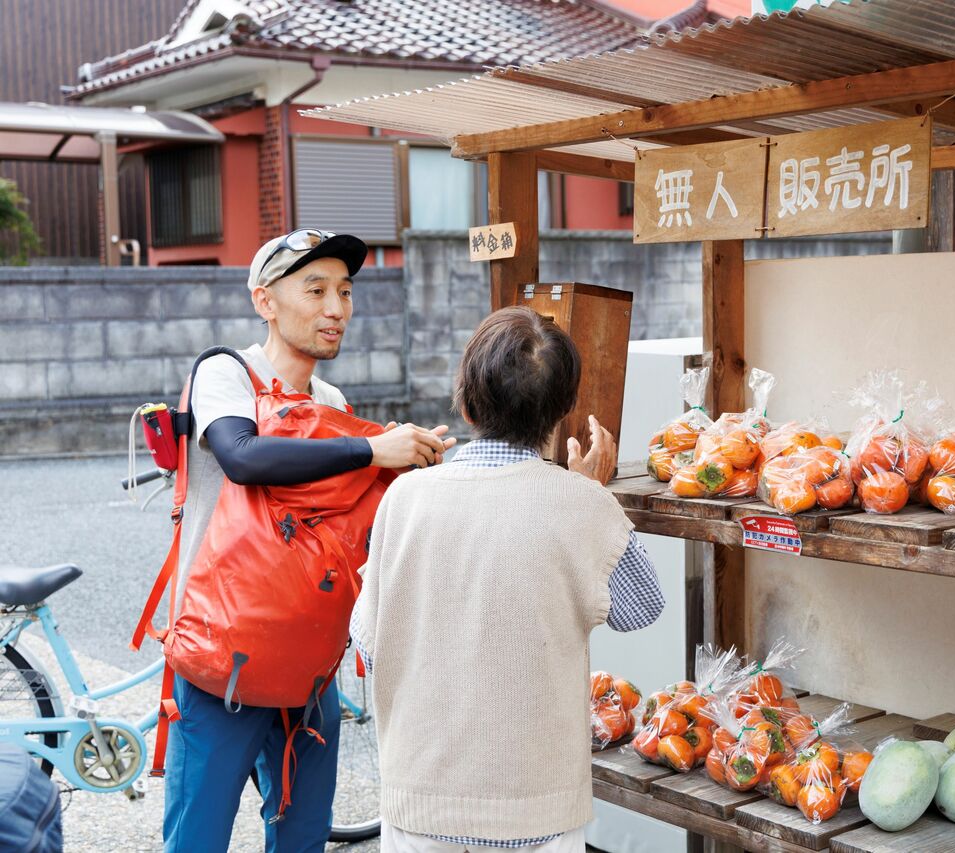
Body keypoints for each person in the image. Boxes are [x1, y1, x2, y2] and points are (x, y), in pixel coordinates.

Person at [163, 229, 455, 853]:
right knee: (199, 837)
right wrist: (372, 448)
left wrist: (410, 468)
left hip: (310, 658)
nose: (336, 309)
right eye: (316, 289)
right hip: (226, 656)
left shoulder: (331, 401)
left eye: (345, 292)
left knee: (302, 835)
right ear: (264, 300)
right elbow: (243, 457)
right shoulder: (227, 373)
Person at [351, 306, 665, 851]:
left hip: (420, 795)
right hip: (536, 805)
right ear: (563, 410)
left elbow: (372, 645)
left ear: (467, 403)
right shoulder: (580, 504)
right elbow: (642, 609)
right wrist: (592, 494)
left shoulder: (404, 497)